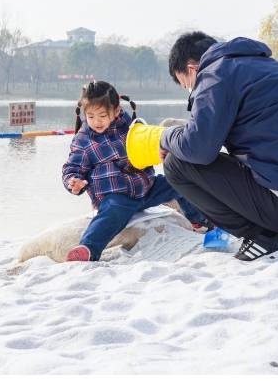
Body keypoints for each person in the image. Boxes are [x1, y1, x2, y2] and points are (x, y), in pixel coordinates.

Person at [160, 32, 278, 261]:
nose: (191, 91)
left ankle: (265, 237)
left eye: (186, 85)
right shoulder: (263, 65)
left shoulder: (214, 75)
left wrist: (165, 136)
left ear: (192, 69)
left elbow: (197, 149)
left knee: (175, 164)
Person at [61, 80, 209, 262]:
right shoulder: (84, 140)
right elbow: (72, 167)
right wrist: (74, 181)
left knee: (177, 181)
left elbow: (150, 145)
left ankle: (199, 221)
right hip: (115, 196)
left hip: (146, 188)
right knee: (113, 211)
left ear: (115, 111)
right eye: (90, 116)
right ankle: (88, 248)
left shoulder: (131, 127)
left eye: (101, 116)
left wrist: (163, 150)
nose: (96, 122)